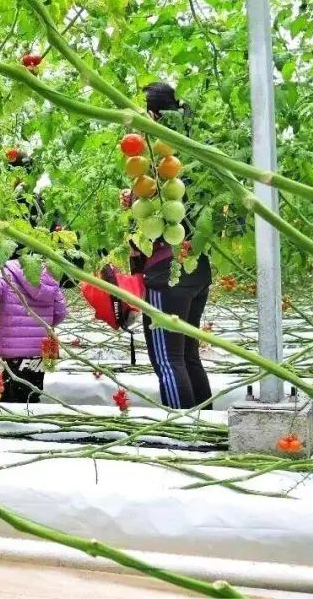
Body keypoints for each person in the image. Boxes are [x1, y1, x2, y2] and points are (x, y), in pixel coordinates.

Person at [129, 82, 213, 410]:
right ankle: (206, 427)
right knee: (188, 356)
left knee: (168, 361)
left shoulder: (155, 160)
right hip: (196, 268)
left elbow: (150, 222)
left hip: (167, 275)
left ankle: (185, 432)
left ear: (151, 113)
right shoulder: (185, 154)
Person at [0, 259, 67, 403]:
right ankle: (32, 421)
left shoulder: (8, 274)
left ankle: (11, 423)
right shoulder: (50, 277)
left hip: (13, 352)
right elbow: (60, 312)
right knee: (32, 393)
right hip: (39, 350)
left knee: (11, 395)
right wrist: (44, 325)